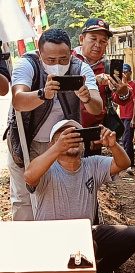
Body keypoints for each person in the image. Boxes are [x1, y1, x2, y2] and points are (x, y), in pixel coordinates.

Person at [24, 119, 135, 273]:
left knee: (134, 235)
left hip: (84, 235)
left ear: (83, 145)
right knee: (87, 248)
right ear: (52, 144)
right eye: (64, 137)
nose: (72, 140)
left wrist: (113, 145)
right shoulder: (47, 168)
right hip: (49, 241)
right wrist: (58, 149)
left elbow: (123, 164)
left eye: (77, 136)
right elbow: (29, 176)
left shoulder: (92, 164)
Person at [4, 28, 101, 221]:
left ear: (71, 52)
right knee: (25, 200)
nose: (57, 65)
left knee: (61, 196)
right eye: (51, 60)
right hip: (27, 144)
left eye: (63, 60)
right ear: (40, 54)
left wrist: (87, 98)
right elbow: (18, 100)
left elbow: (96, 107)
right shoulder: (27, 64)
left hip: (63, 146)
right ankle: (28, 245)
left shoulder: (80, 68)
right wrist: (43, 94)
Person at [74, 18, 131, 156]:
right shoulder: (68, 60)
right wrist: (94, 80)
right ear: (82, 39)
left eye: (103, 41)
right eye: (93, 39)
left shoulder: (107, 67)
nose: (97, 45)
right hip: (68, 131)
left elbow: (116, 99)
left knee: (92, 175)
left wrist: (123, 92)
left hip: (94, 134)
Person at [113, 63, 135, 168]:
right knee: (124, 140)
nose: (124, 74)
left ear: (130, 73)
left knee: (128, 140)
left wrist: (134, 118)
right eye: (123, 72)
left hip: (129, 116)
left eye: (126, 72)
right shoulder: (119, 85)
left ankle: (128, 163)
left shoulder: (133, 86)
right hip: (122, 116)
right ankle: (129, 162)